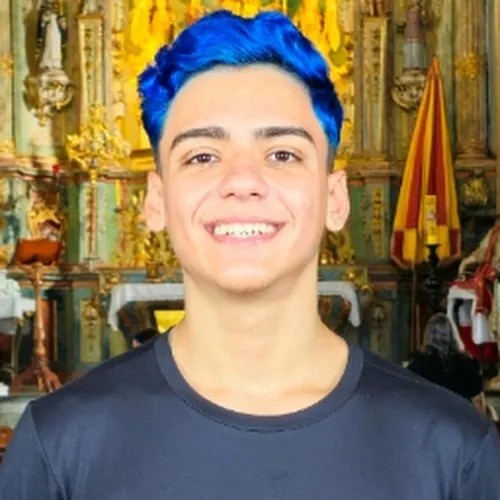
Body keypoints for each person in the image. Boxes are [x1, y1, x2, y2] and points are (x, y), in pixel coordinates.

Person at [1, 10, 499, 499]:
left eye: (282, 154)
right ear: (155, 200)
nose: (242, 181)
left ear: (335, 199)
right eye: (202, 156)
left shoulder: (454, 450)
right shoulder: (59, 444)